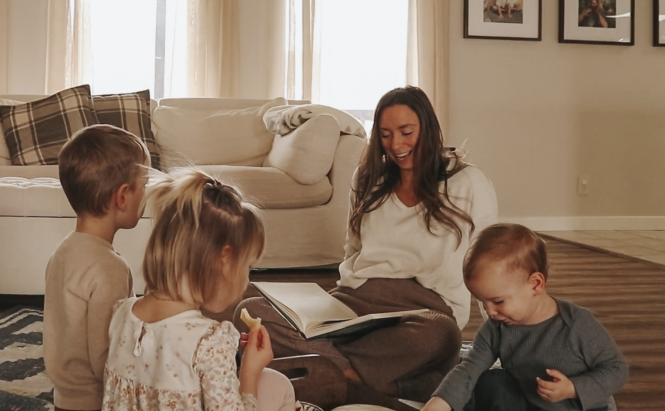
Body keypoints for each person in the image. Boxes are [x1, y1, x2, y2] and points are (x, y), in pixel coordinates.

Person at [234, 86, 498, 405]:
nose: (395, 145)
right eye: (385, 134)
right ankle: (358, 382)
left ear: (428, 129)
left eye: (406, 132)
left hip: (424, 313)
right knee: (250, 311)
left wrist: (506, 335)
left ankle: (322, 372)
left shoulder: (468, 182)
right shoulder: (367, 178)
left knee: (443, 335)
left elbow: (490, 262)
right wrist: (320, 311)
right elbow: (353, 250)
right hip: (353, 306)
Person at [102, 169, 296, 411]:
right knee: (280, 385)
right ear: (223, 258)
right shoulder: (211, 341)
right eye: (247, 267)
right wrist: (249, 372)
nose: (246, 281)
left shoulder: (121, 314)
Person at [421, 224, 628, 411]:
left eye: (498, 301)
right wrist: (438, 403)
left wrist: (573, 388)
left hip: (581, 408)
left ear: (535, 284)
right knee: (492, 381)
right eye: (482, 302)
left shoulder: (577, 324)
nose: (489, 312)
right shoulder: (496, 328)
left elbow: (616, 369)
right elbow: (468, 369)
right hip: (531, 403)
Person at [44, 124, 151, 411]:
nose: (147, 194)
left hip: (63, 398)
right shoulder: (109, 268)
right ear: (123, 196)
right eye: (145, 185)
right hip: (96, 403)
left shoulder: (63, 251)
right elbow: (107, 355)